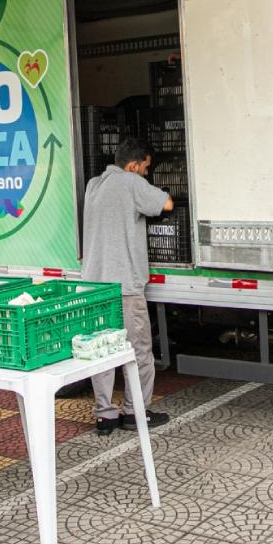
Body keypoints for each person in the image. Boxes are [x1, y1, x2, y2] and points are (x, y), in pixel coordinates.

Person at [84, 137, 174, 436]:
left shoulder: (93, 185)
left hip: (94, 287)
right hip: (125, 286)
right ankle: (136, 412)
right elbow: (166, 204)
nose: (146, 174)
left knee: (101, 351)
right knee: (138, 352)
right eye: (146, 168)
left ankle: (105, 415)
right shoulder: (131, 183)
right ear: (134, 165)